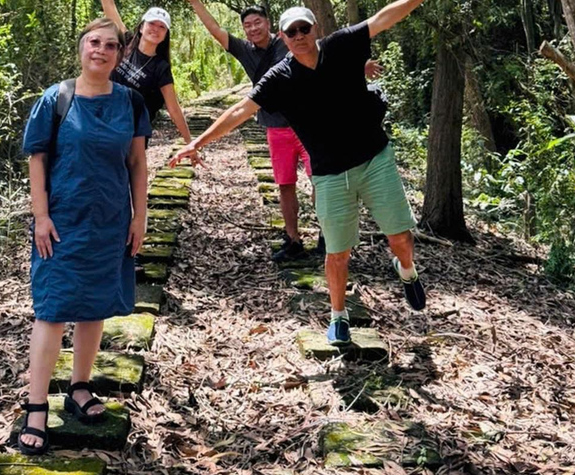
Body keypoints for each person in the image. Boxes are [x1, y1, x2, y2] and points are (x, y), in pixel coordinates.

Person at [171, 0, 427, 345]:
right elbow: (241, 110)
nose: (298, 36)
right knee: (337, 253)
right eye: (291, 32)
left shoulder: (341, 45)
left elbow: (384, 18)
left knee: (400, 239)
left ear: (314, 29)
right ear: (283, 37)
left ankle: (407, 271)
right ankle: (338, 317)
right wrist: (197, 142)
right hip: (329, 173)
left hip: (374, 158)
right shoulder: (280, 77)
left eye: (304, 28)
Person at [18, 18, 151, 455]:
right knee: (52, 309)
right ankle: (36, 406)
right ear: (81, 48)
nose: (102, 50)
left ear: (120, 54)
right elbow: (37, 159)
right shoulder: (56, 99)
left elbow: (136, 163)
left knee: (95, 305)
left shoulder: (130, 102)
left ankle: (79, 387)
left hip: (111, 219)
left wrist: (139, 217)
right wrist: (40, 216)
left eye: (111, 45)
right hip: (62, 220)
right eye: (94, 42)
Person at [186, 0, 382, 261]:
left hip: (310, 127)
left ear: (269, 24)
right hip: (276, 128)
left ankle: (327, 235)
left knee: (321, 181)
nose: (253, 28)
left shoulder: (290, 38)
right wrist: (195, 4)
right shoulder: (245, 51)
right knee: (285, 184)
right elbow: (215, 30)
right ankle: (293, 240)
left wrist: (359, 68)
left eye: (258, 22)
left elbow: (323, 58)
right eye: (247, 25)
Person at [103, 0, 196, 160]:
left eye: (162, 27)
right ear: (141, 27)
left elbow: (174, 109)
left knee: (121, 177)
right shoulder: (126, 42)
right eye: (152, 23)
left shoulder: (161, 68)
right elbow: (109, 5)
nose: (156, 29)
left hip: (132, 133)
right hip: (103, 119)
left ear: (166, 34)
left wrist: (190, 144)